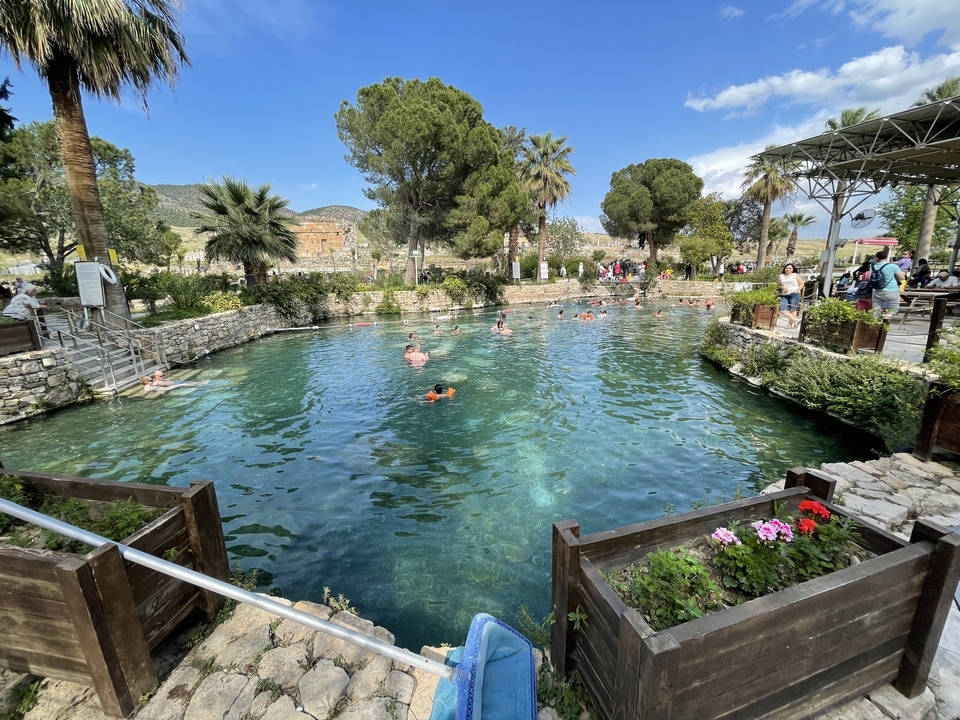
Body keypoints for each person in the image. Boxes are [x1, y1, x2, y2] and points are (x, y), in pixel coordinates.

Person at [870, 249, 907, 318]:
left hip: (876, 290)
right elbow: (902, 278)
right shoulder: (892, 266)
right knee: (893, 310)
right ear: (886, 257)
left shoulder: (872, 267)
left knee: (876, 311)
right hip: (891, 290)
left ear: (876, 258)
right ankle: (885, 321)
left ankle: (874, 326)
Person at [777, 263, 802, 329]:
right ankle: (796, 320)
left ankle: (790, 324)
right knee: (782, 310)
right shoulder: (781, 276)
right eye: (786, 268)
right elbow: (778, 285)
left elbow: (801, 284)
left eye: (790, 268)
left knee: (792, 310)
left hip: (795, 294)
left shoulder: (795, 275)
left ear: (793, 269)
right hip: (784, 294)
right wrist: (782, 287)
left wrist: (796, 291)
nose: (788, 269)